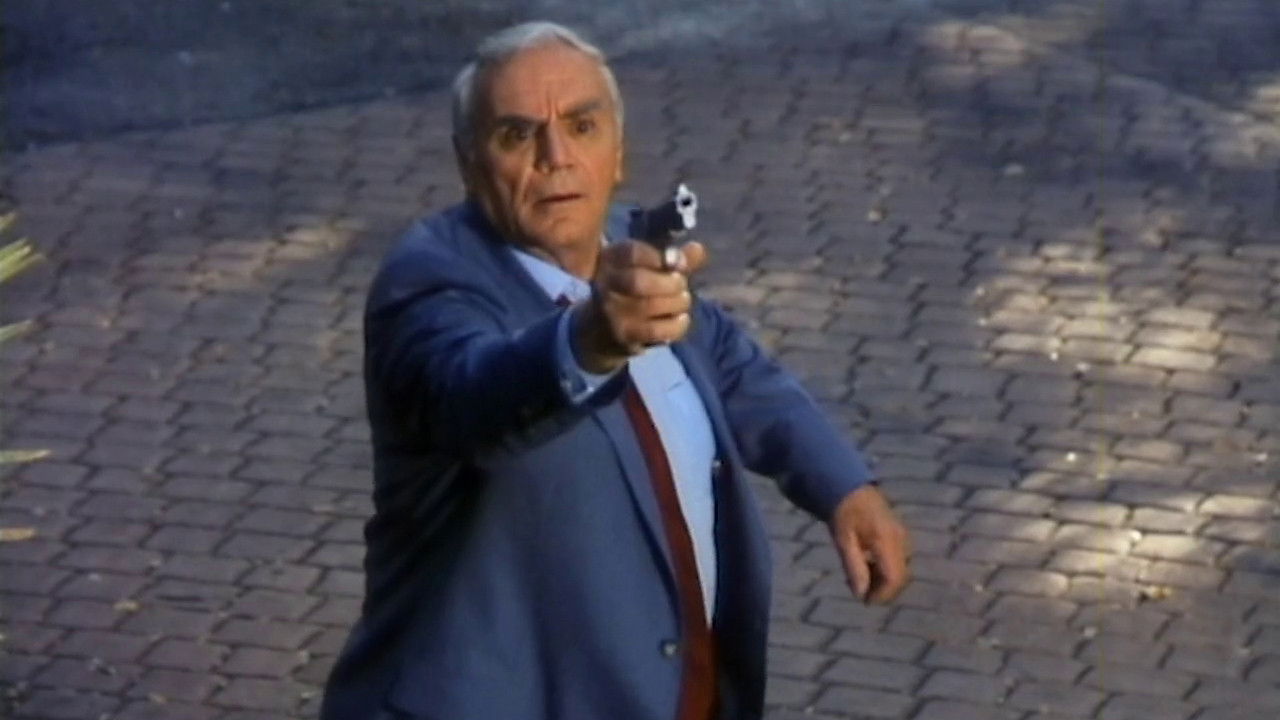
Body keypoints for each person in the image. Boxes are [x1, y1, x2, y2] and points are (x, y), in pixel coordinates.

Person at [321, 21, 910, 720]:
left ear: (619, 152)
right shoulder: (427, 284)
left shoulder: (630, 243)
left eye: (582, 126)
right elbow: (471, 396)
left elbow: (729, 363)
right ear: (469, 163)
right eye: (517, 135)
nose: (556, 158)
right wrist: (588, 342)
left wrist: (843, 485)